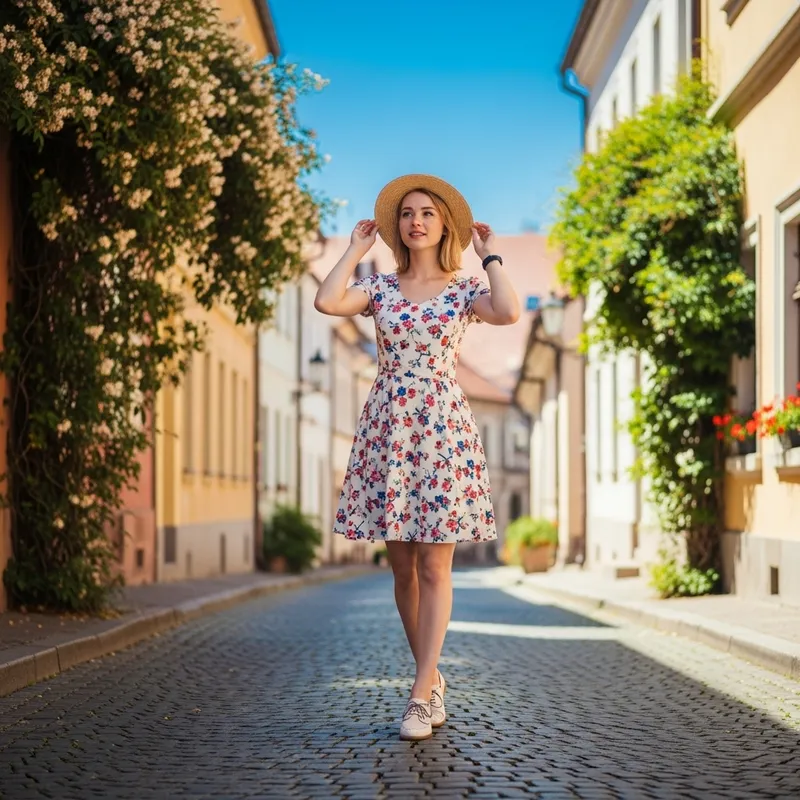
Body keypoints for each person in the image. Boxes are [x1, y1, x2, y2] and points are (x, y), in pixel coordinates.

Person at [314, 174, 520, 741]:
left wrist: (490, 255)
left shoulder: (461, 289)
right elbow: (327, 299)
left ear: (443, 225)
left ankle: (421, 691)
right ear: (397, 226)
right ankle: (429, 676)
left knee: (435, 565)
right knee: (402, 566)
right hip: (389, 426)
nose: (416, 221)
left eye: (427, 212)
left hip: (442, 428)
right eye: (407, 213)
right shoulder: (378, 290)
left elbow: (508, 312)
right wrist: (356, 249)